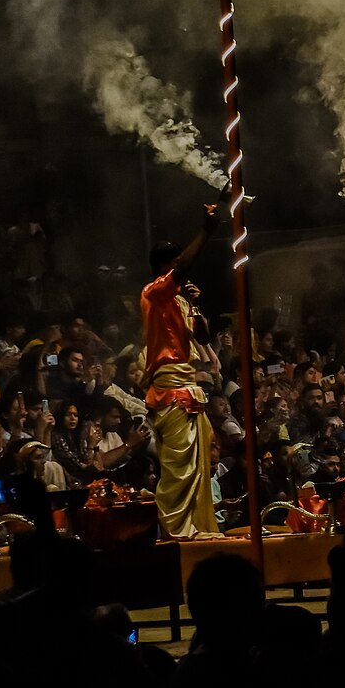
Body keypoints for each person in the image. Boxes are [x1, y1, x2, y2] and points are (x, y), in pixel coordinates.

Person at [140, 205, 221, 539]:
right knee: (178, 468)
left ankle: (197, 527)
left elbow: (202, 337)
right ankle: (176, 531)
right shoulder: (154, 293)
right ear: (164, 269)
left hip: (189, 386)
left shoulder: (183, 302)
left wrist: (197, 306)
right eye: (175, 266)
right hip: (172, 388)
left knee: (198, 466)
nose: (182, 271)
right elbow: (185, 264)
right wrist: (206, 231)